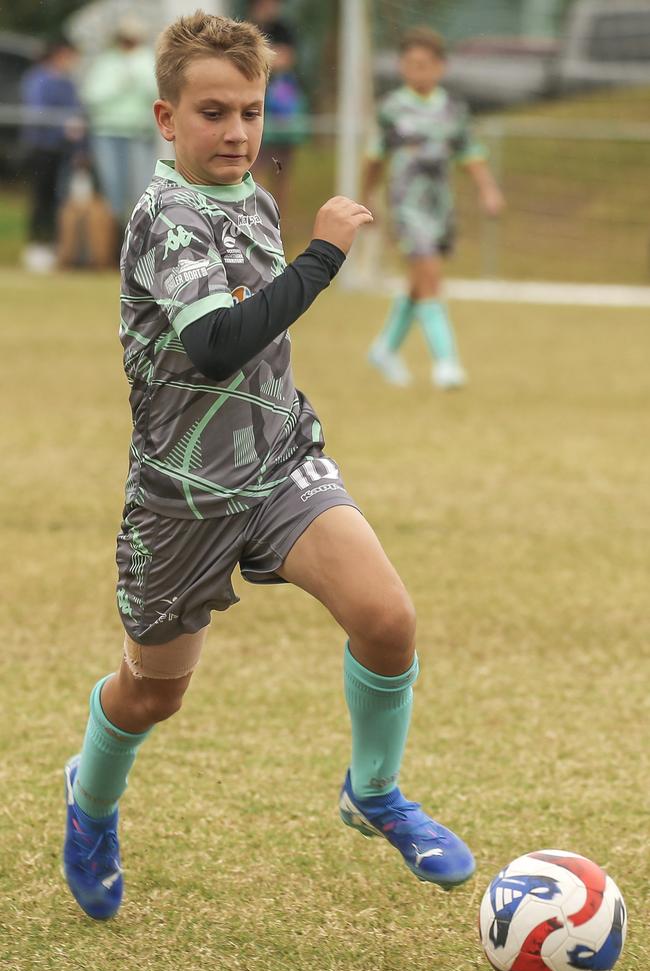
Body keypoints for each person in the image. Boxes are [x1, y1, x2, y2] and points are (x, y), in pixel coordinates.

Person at [62, 11, 475, 922]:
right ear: (167, 120)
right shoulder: (163, 213)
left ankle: (373, 793)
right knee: (150, 697)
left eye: (250, 111)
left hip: (281, 461)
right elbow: (213, 343)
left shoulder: (251, 195)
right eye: (214, 112)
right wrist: (323, 254)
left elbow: (258, 335)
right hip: (184, 497)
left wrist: (303, 255)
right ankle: (89, 806)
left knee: (388, 618)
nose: (238, 132)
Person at [363, 27, 505, 390]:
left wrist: (488, 189)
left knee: (420, 280)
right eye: (410, 64)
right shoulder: (392, 108)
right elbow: (375, 157)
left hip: (440, 206)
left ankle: (384, 349)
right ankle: (447, 364)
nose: (417, 71)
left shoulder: (452, 109)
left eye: (424, 65)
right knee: (429, 275)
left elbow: (470, 153)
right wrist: (365, 197)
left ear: (440, 67)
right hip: (405, 204)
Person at [81, 14, 158, 234]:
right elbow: (91, 96)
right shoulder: (106, 62)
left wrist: (134, 76)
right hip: (107, 132)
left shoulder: (147, 60)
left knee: (140, 190)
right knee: (112, 190)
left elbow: (155, 93)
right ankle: (112, 241)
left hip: (139, 134)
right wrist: (120, 85)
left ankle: (138, 239)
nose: (128, 42)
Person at [20, 37, 85, 273]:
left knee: (59, 199)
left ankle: (56, 246)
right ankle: (36, 246)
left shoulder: (68, 82)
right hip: (42, 148)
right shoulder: (38, 79)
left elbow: (77, 111)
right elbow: (38, 112)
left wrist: (79, 147)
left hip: (63, 150)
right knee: (41, 198)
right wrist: (63, 126)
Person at [253, 24, 308, 218]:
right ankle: (256, 215)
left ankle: (276, 221)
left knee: (282, 180)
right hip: (265, 138)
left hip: (285, 139)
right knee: (256, 177)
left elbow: (296, 108)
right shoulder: (261, 80)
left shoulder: (292, 81)